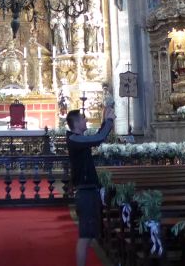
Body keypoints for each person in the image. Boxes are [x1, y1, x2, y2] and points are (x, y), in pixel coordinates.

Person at [66, 100, 114, 266]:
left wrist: (105, 120)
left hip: (88, 191)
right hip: (85, 193)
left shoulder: (78, 139)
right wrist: (109, 120)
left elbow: (96, 138)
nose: (86, 120)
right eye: (83, 119)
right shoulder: (74, 139)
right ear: (77, 123)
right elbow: (99, 138)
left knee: (88, 234)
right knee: (85, 237)